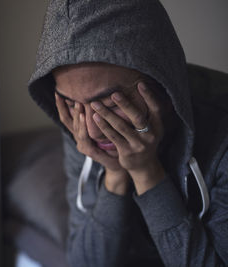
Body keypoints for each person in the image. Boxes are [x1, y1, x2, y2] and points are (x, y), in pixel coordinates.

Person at [28, 0, 228, 266]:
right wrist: (115, 173)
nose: (92, 130)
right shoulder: (81, 129)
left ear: (163, 84)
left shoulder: (221, 129)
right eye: (74, 104)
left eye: (112, 104)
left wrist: (147, 172)